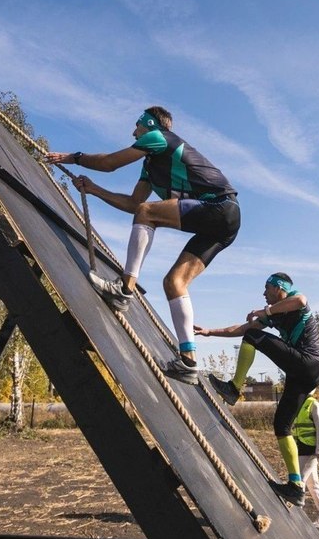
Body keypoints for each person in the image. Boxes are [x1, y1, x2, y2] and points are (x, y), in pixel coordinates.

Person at [46, 107, 240, 386]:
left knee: (149, 212)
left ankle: (125, 289)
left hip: (219, 206)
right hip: (225, 222)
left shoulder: (159, 137)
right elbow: (135, 205)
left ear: (149, 125)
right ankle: (188, 362)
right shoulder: (150, 166)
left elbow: (110, 163)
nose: (133, 132)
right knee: (174, 283)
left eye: (136, 126)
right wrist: (94, 190)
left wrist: (73, 158)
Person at [194, 272, 319, 506]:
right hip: (300, 375)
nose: (263, 294)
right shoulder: (273, 313)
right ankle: (296, 486)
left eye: (267, 289)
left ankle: (234, 388)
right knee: (282, 425)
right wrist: (209, 332)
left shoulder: (293, 300)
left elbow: (301, 301)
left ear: (278, 288)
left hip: (307, 362)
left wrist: (266, 312)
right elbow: (242, 329)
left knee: (254, 336)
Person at [294, 387, 319, 528]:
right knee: (313, 483)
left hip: (312, 450)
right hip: (302, 448)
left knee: (299, 480)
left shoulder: (314, 405)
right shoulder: (300, 405)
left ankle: (294, 513)